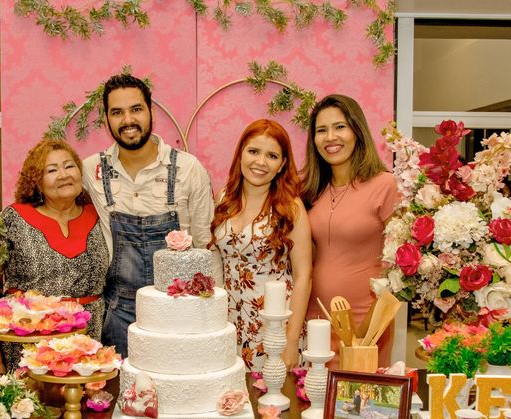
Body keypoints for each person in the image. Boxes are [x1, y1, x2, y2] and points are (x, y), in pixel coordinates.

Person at [82, 74, 219, 358]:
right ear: (106, 119)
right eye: (117, 112)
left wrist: (211, 318)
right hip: (118, 314)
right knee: (120, 397)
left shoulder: (187, 169)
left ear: (151, 111)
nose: (128, 120)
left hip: (179, 315)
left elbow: (207, 247)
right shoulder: (90, 170)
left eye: (136, 109)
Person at [0, 139, 109, 372]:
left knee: (85, 407)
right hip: (29, 345)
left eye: (69, 166)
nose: (63, 175)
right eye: (51, 170)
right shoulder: (14, 219)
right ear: (37, 182)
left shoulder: (99, 214)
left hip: (88, 343)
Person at [300, 94, 400, 368]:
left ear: (357, 130)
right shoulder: (310, 190)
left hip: (366, 323)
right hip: (317, 316)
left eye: (340, 127)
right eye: (321, 130)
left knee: (362, 403)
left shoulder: (385, 185)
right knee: (315, 399)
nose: (330, 137)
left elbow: (403, 260)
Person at [210, 119, 312, 372]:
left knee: (275, 405)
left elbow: (303, 276)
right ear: (240, 154)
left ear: (282, 165)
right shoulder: (225, 198)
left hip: (274, 326)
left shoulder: (291, 207)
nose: (261, 162)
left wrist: (290, 340)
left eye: (272, 155)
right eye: (253, 151)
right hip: (230, 323)